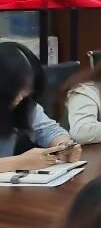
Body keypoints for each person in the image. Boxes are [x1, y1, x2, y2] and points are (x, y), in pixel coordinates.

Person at [0, 43, 81, 172]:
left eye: (27, 90)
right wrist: (19, 162)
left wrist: (64, 146)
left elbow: (49, 131)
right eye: (18, 88)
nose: (21, 97)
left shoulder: (25, 105)